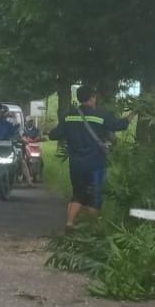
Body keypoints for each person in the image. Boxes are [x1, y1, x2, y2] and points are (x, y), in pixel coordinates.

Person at [48, 86, 129, 228]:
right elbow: (119, 125)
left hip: (76, 165)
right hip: (95, 164)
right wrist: (133, 114)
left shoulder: (68, 115)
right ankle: (92, 229)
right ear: (92, 97)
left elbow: (54, 135)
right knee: (94, 197)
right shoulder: (101, 114)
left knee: (78, 194)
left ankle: (70, 223)